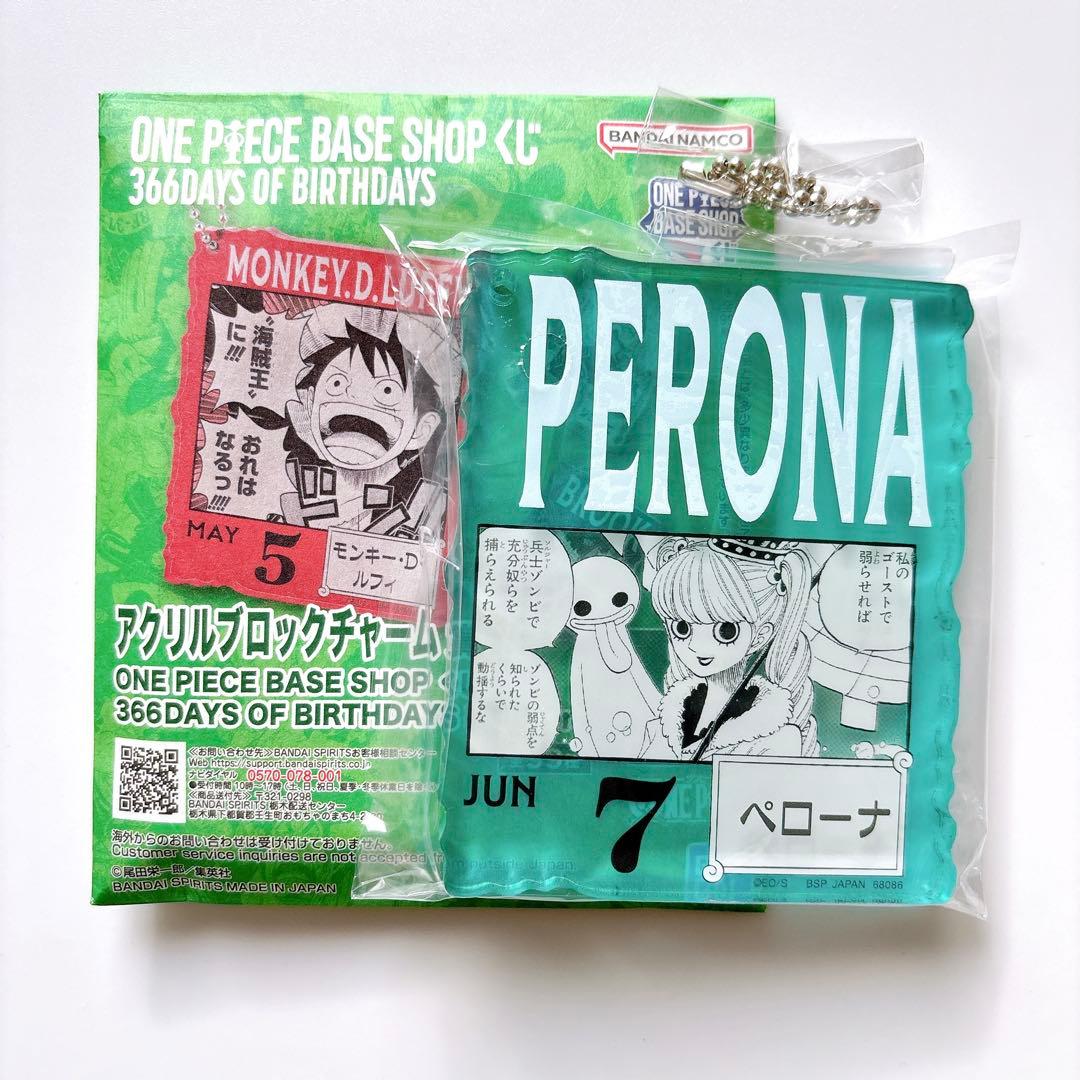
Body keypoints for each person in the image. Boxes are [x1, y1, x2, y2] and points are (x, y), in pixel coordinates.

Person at [646, 536, 820, 760]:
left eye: (725, 631)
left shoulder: (777, 739)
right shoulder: (663, 724)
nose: (696, 645)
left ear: (760, 636)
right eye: (682, 628)